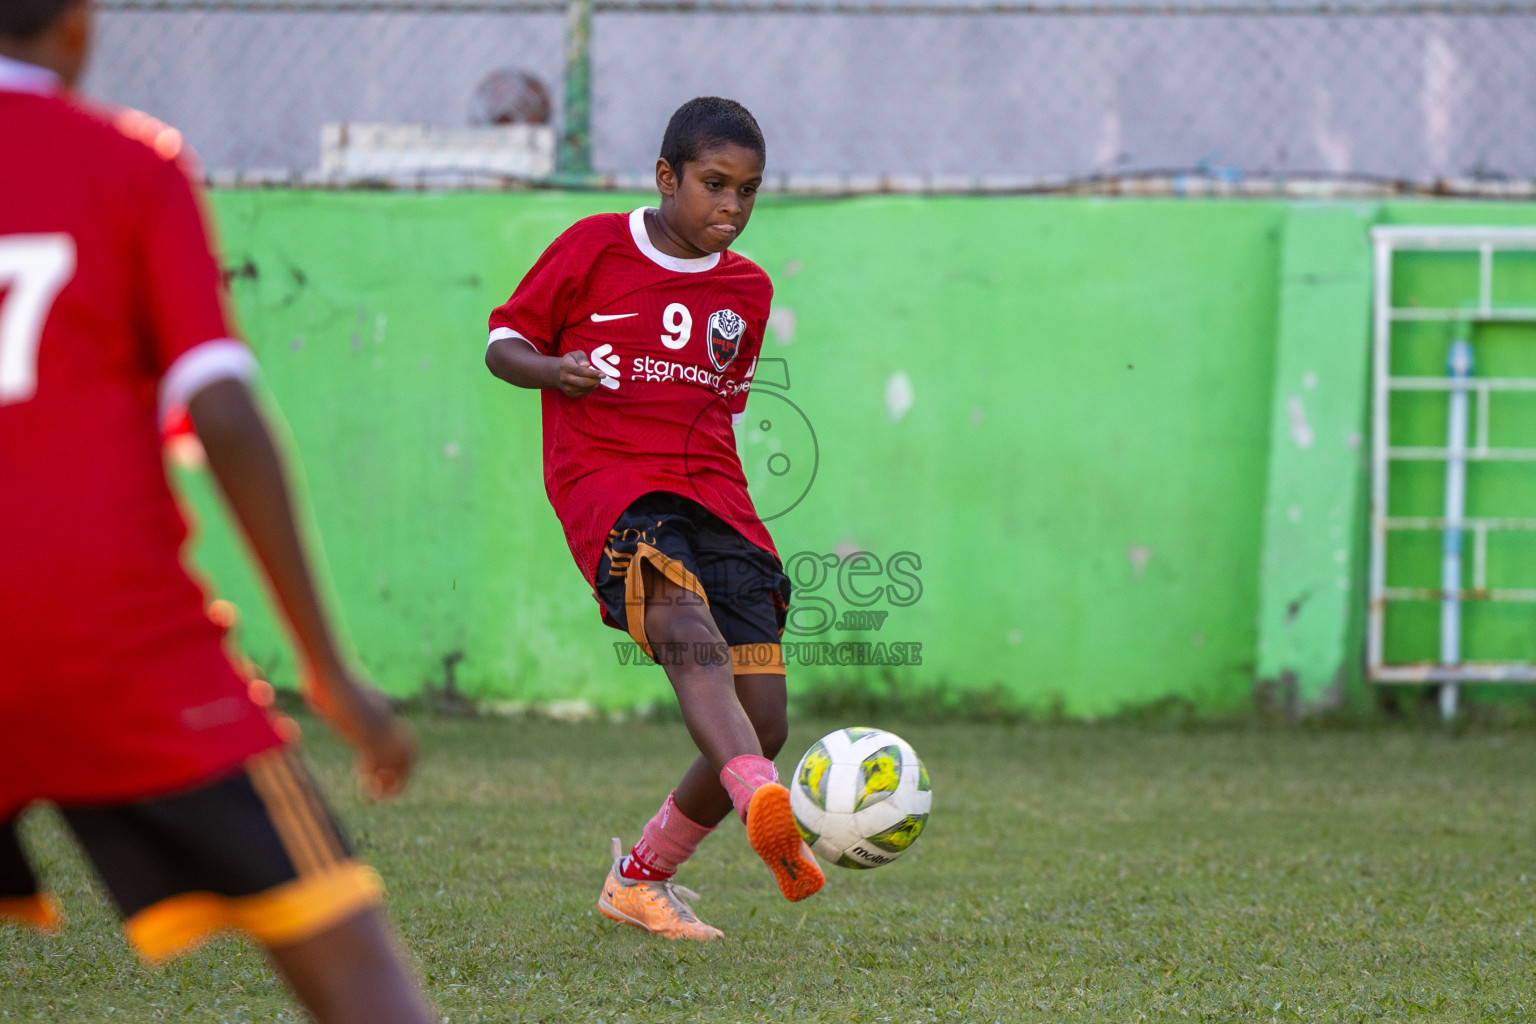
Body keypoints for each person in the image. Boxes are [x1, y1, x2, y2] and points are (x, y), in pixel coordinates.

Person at [0, 2, 435, 1020]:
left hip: (96, 628)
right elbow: (223, 410)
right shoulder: (131, 164)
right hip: (107, 632)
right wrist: (328, 668)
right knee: (356, 969)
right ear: (76, 30)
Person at [485, 96, 824, 942]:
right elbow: (501, 345)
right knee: (686, 630)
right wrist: (553, 369)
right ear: (667, 177)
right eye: (714, 184)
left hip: (719, 499)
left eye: (749, 191)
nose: (732, 208)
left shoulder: (748, 290)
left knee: (768, 717)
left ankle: (640, 879)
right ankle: (760, 801)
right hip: (611, 486)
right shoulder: (593, 247)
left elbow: (726, 401)